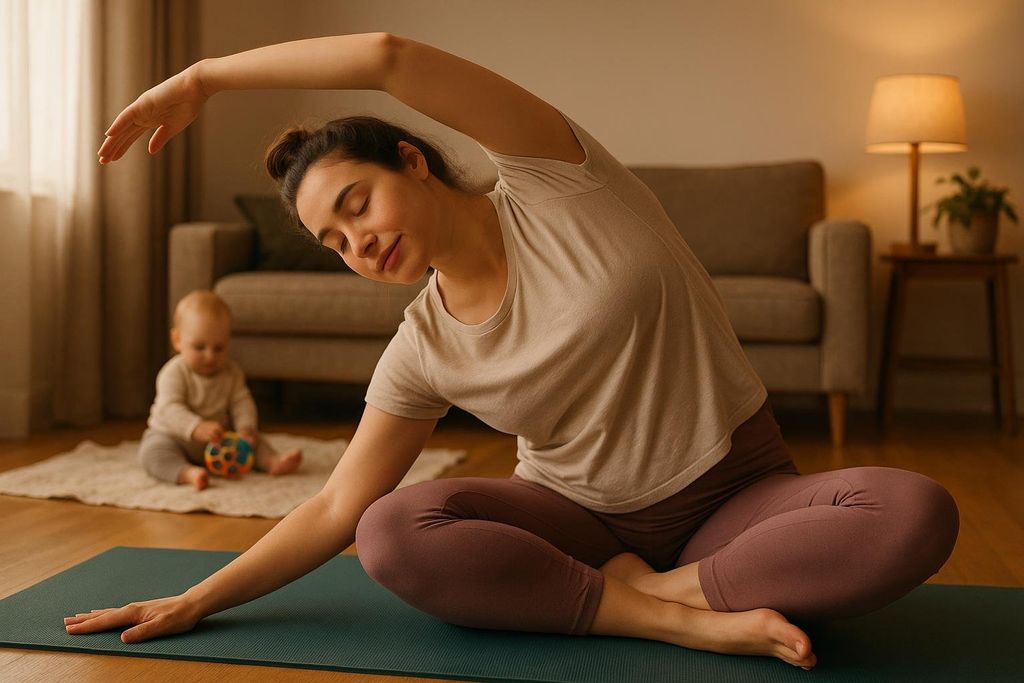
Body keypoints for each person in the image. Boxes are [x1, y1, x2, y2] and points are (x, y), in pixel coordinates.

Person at [66, 33, 961, 671]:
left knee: (912, 511)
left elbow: (390, 56)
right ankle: (663, 618)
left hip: (735, 489)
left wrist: (207, 77)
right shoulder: (421, 345)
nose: (356, 242)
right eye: (332, 242)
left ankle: (670, 593)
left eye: (356, 205)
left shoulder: (556, 179)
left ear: (413, 162)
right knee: (391, 529)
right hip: (575, 514)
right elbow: (339, 504)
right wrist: (194, 600)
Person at [140, 289, 302, 489]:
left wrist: (245, 428)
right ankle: (187, 473)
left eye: (219, 348)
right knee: (152, 452)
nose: (210, 356)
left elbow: (241, 402)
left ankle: (272, 462)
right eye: (200, 347)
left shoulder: (231, 372)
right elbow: (169, 409)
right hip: (175, 437)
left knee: (255, 441)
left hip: (219, 441)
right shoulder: (173, 373)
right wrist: (196, 427)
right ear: (177, 340)